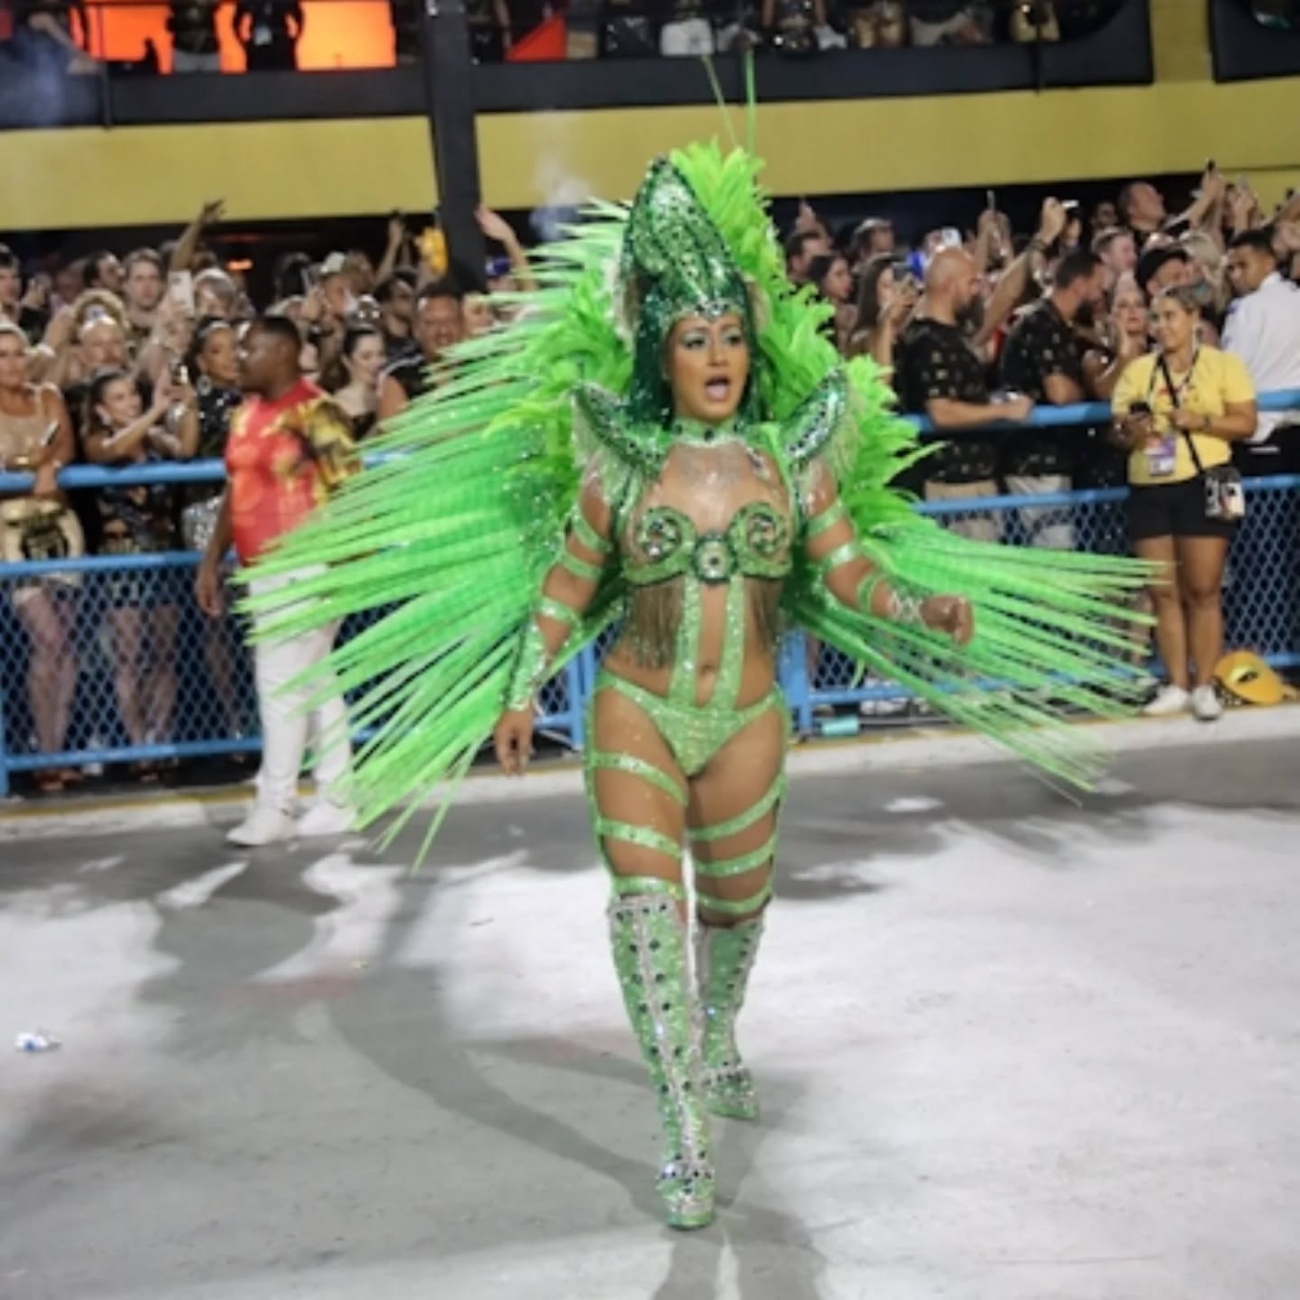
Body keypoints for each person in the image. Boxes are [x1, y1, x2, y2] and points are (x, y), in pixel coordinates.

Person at [246, 145, 1151, 1230]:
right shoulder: (619, 457)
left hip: (746, 722)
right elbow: (567, 583)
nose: (716, 355)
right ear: (662, 353)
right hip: (637, 709)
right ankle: (680, 1120)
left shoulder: (790, 458)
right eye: (693, 338)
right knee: (645, 913)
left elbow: (847, 570)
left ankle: (717, 1033)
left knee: (735, 908)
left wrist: (921, 606)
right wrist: (521, 685)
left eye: (729, 335)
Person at [195, 315, 359, 846]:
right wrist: (211, 558)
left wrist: (345, 569)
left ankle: (276, 805)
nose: (239, 358)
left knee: (280, 684)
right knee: (315, 683)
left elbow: (355, 494)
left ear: (283, 352)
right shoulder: (246, 413)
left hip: (307, 566)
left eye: (249, 349)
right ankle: (337, 800)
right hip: (261, 568)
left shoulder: (318, 412)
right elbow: (235, 488)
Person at [1111, 285, 1257, 722]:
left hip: (1208, 480)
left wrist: (1200, 421)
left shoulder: (1223, 365)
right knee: (1163, 591)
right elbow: (1117, 430)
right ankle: (1176, 682)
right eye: (1156, 318)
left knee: (1204, 589)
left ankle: (1204, 684)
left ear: (1193, 318)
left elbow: (1246, 422)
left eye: (1170, 316)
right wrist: (1130, 432)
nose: (1161, 326)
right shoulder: (1139, 371)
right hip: (1151, 485)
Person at [82, 368, 194, 777]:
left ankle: (161, 739)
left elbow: (185, 451)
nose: (130, 403)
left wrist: (187, 407)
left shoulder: (154, 438)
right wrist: (154, 412)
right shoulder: (97, 441)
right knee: (129, 656)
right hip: (122, 558)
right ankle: (136, 744)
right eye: (119, 398)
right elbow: (112, 449)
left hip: (163, 554)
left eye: (133, 394)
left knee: (164, 654)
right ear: (101, 409)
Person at [0, 322, 83, 794]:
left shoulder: (47, 396)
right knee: (47, 639)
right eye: (2, 355)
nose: (12, 363)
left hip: (60, 524)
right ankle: (43, 751)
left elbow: (65, 444)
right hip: (12, 531)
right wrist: (22, 465)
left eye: (18, 353)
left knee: (66, 642)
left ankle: (59, 749)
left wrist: (49, 463)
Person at [998, 248, 1107, 550]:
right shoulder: (1042, 323)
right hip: (1037, 463)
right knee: (1057, 555)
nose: (1101, 297)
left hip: (1050, 461)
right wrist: (1087, 391)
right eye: (1098, 287)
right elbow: (1059, 392)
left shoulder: (1058, 323)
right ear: (1080, 285)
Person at [1222, 226, 1300, 477]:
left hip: (1260, 434)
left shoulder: (1246, 308)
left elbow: (1229, 370)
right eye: (1231, 269)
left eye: (1244, 265)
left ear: (1269, 263)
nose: (1236, 275)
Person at [377, 280, 464, 420]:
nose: (443, 331)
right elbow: (393, 431)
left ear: (463, 326)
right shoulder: (398, 377)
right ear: (416, 329)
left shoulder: (482, 368)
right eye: (431, 323)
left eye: (450, 321)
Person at [847, 253, 914, 373]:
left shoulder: (917, 333)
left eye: (903, 285)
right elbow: (881, 380)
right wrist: (887, 320)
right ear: (873, 294)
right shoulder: (862, 338)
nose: (896, 292)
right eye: (888, 286)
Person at [330, 325, 386, 439]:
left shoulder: (391, 393)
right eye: (366, 357)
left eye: (381, 354)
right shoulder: (337, 406)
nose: (377, 363)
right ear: (347, 361)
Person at [805, 252, 855, 355]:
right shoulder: (810, 315)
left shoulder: (854, 312)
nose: (848, 280)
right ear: (822, 279)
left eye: (848, 274)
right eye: (839, 274)